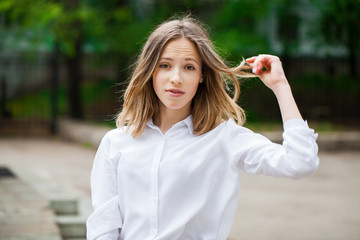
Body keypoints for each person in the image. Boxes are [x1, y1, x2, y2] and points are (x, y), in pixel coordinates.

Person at [86, 16, 319, 240]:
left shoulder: (224, 138)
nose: (175, 78)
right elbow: (104, 225)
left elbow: (300, 162)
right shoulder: (115, 142)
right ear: (150, 72)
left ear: (202, 76)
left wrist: (280, 86)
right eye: (165, 65)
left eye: (189, 67)